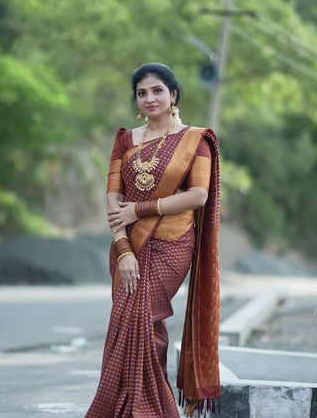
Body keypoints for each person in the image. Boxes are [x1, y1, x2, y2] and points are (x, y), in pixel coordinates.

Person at [86, 63, 221, 418]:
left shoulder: (196, 140)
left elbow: (198, 196)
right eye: (142, 92)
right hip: (128, 248)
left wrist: (141, 210)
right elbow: (113, 199)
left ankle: (149, 410)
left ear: (173, 95)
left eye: (157, 90)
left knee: (143, 318)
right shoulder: (125, 140)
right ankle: (128, 408)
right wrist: (123, 248)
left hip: (172, 245)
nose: (150, 98)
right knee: (128, 323)